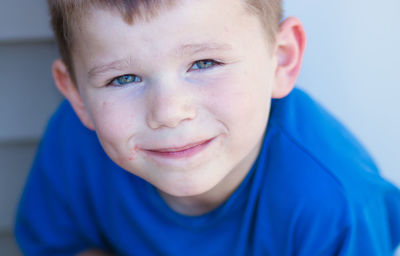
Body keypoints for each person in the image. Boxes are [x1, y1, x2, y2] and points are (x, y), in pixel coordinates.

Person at [15, 0, 400, 255]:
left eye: (204, 64)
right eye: (124, 78)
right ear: (78, 95)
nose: (168, 112)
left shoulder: (335, 205)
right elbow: (58, 245)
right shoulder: (76, 142)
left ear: (281, 60)